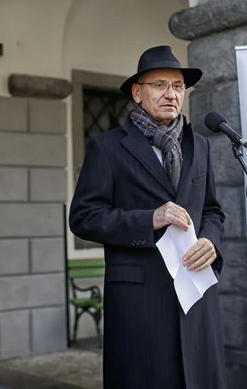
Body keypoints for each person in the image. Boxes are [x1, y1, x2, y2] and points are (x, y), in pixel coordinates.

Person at [69, 45, 226, 389]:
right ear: (138, 93)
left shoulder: (200, 146)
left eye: (178, 86)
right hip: (139, 301)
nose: (171, 94)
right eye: (160, 85)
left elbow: (211, 210)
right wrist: (148, 219)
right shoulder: (107, 148)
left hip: (195, 293)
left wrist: (211, 241)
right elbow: (83, 217)